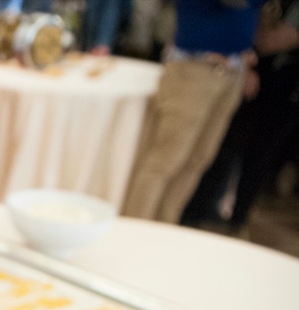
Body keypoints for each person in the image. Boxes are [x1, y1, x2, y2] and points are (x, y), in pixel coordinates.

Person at [122, 0, 265, 224]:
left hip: (233, 70)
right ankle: (135, 232)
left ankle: (164, 232)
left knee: (198, 159)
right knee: (165, 161)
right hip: (194, 68)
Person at [181, 0, 299, 234]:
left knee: (259, 156)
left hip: (283, 84)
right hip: (239, 71)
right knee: (218, 150)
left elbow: (273, 39)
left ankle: (236, 222)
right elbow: (265, 39)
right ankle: (196, 217)